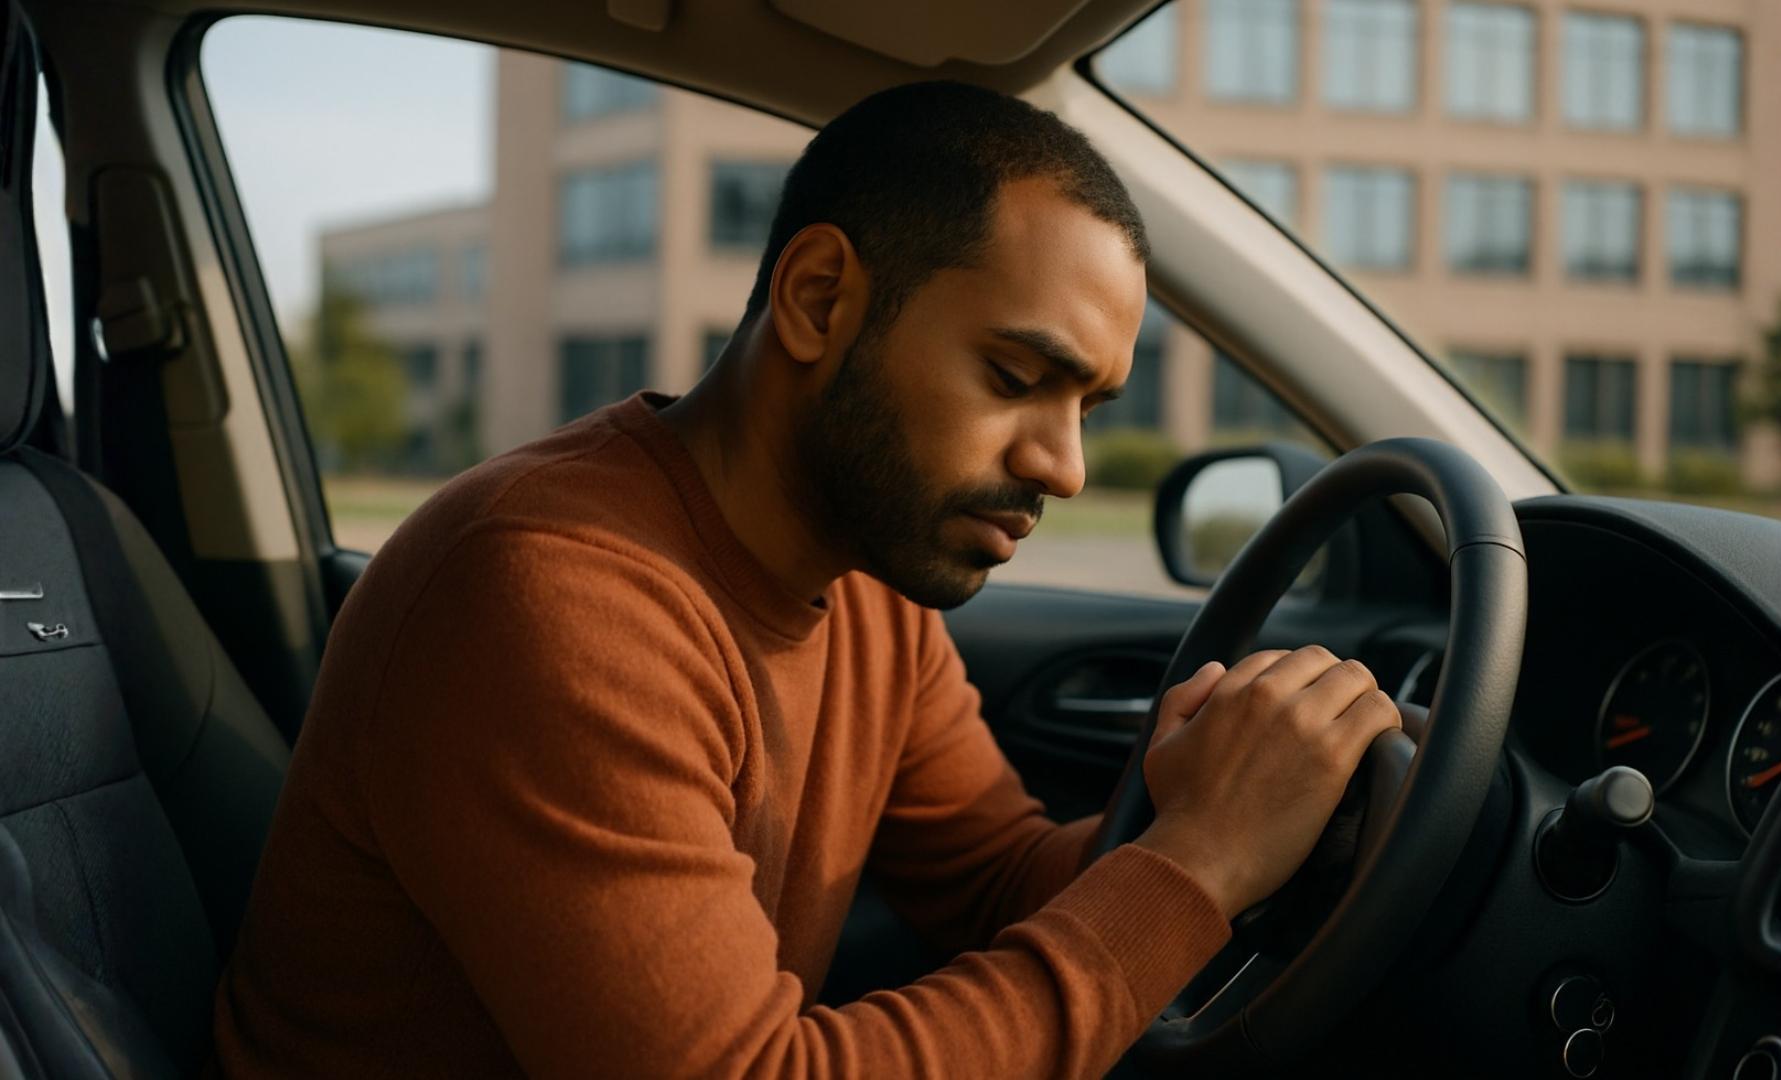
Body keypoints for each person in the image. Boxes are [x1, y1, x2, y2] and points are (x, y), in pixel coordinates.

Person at [211, 80, 1402, 1078]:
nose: (1067, 466)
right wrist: (1197, 869)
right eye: (1014, 375)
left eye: (1087, 406)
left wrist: (1211, 803)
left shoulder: (870, 571)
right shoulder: (551, 594)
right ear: (820, 298)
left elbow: (994, 884)